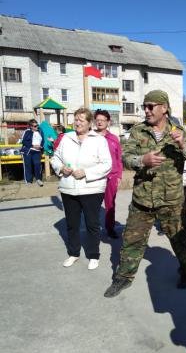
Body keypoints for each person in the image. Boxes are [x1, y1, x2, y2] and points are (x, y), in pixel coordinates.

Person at [103, 90, 186, 298]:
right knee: (132, 240)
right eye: (144, 106)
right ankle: (123, 277)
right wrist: (142, 161)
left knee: (179, 240)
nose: (146, 110)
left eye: (151, 106)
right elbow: (126, 158)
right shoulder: (138, 131)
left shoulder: (179, 131)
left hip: (171, 200)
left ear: (164, 108)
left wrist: (183, 144)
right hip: (143, 199)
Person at [51, 108, 112, 270]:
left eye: (81, 120)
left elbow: (107, 164)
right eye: (76, 119)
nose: (77, 123)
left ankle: (93, 255)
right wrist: (61, 167)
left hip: (91, 189)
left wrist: (86, 173)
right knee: (72, 224)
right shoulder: (66, 138)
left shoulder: (99, 140)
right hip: (68, 188)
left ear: (90, 123)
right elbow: (55, 158)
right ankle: (73, 253)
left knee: (92, 223)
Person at [94, 109, 123, 238]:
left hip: (112, 176)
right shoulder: (91, 137)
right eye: (98, 120)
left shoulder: (114, 138)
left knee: (110, 204)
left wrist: (119, 175)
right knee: (92, 204)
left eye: (103, 120)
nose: (100, 122)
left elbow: (119, 158)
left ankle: (110, 228)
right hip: (95, 176)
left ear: (108, 122)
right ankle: (93, 230)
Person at [20, 119, 44, 186]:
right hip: (28, 151)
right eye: (35, 126)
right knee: (28, 166)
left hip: (37, 151)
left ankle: (38, 179)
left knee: (37, 165)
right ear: (31, 126)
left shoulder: (40, 131)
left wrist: (40, 147)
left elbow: (43, 140)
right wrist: (33, 145)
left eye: (37, 125)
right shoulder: (27, 132)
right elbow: (24, 141)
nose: (37, 127)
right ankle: (28, 181)